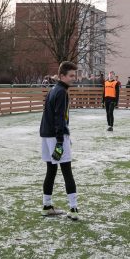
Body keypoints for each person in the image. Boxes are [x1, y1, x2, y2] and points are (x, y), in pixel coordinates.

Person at [40, 61, 80, 220]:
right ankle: (73, 209)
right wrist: (59, 142)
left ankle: (46, 206)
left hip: (45, 136)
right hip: (56, 137)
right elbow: (59, 118)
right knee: (66, 171)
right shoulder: (61, 92)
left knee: (51, 171)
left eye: (74, 76)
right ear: (62, 76)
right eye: (71, 76)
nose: (73, 79)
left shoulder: (53, 90)